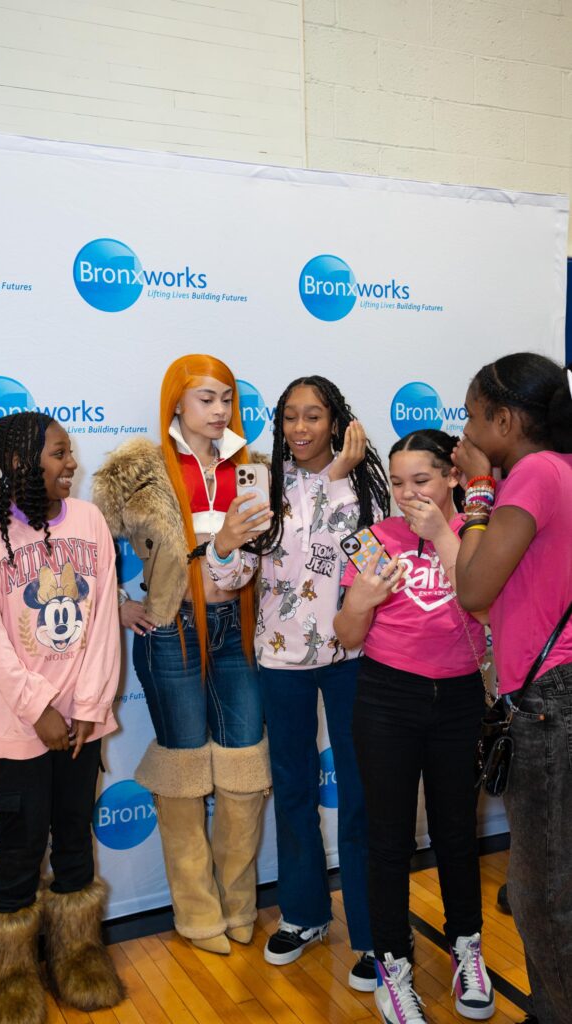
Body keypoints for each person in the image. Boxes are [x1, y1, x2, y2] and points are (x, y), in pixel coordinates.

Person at [206, 374, 389, 990]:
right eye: (290, 417)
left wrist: (338, 476)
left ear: (336, 421)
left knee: (362, 796)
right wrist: (226, 545)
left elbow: (369, 560)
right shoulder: (262, 485)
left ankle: (371, 933)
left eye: (314, 416)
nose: (301, 429)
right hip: (280, 659)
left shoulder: (360, 485)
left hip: (352, 655)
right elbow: (232, 581)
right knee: (292, 790)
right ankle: (305, 914)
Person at [93, 355, 271, 956]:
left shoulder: (253, 466)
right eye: (205, 399)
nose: (219, 411)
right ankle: (197, 912)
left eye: (226, 398)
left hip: (237, 627)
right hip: (171, 628)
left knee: (246, 772)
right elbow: (85, 542)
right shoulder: (139, 471)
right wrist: (118, 602)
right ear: (177, 403)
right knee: (184, 772)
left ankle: (239, 903)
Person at [0, 412, 124, 1024]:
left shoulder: (89, 521)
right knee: (22, 846)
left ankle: (79, 960)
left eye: (70, 451)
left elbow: (104, 619)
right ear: (22, 464)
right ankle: (9, 980)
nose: (71, 463)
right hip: (19, 725)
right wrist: (39, 710)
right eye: (58, 453)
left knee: (76, 836)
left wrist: (87, 706)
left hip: (81, 721)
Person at [335, 429, 495, 1024]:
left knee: (457, 831)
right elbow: (348, 636)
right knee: (389, 837)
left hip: (458, 698)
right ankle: (393, 968)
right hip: (386, 699)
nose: (407, 495)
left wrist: (443, 538)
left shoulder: (478, 536)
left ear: (452, 476)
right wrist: (361, 601)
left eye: (421, 481)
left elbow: (483, 607)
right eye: (398, 483)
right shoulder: (375, 540)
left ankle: (467, 950)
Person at [453, 353, 572, 1024]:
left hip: (547, 701)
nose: (467, 429)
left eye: (473, 416)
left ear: (506, 418)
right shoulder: (560, 469)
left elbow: (473, 590)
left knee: (539, 887)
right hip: (558, 693)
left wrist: (475, 490)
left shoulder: (529, 474)